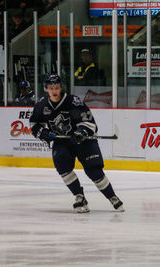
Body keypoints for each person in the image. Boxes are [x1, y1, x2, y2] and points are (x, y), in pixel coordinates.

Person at [29, 73, 124, 213]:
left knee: (94, 171)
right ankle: (79, 197)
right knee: (62, 166)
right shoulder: (42, 105)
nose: (54, 90)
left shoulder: (73, 101)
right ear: (46, 89)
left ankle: (112, 197)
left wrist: (81, 132)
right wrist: (43, 133)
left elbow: (89, 122)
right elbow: (34, 123)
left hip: (83, 142)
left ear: (61, 87)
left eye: (56, 87)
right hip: (61, 141)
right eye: (51, 88)